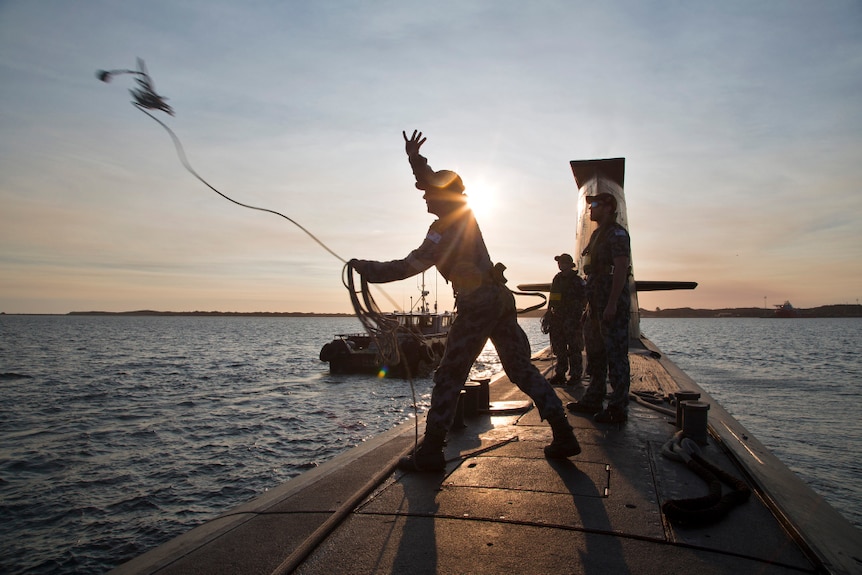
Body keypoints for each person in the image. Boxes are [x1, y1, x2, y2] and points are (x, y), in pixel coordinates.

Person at [350, 130, 581, 471]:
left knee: (450, 374)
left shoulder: (444, 228)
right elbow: (433, 181)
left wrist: (365, 269)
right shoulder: (462, 215)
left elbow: (408, 266)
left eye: (429, 194)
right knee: (520, 369)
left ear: (442, 197)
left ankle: (430, 452)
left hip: (478, 304)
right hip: (499, 300)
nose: (424, 198)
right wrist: (415, 160)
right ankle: (563, 433)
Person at [567, 192, 632, 423]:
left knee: (615, 356)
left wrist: (613, 303)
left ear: (608, 207)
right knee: (595, 354)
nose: (590, 209)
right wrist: (588, 308)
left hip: (609, 304)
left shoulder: (617, 234)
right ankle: (593, 398)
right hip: (594, 305)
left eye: (595, 204)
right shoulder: (597, 236)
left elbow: (621, 268)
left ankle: (617, 408)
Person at [544, 253, 586, 386]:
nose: (560, 264)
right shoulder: (557, 279)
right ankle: (560, 373)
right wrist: (549, 312)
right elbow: (553, 297)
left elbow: (585, 299)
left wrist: (580, 315)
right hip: (558, 318)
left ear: (569, 264)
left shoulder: (578, 281)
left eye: (562, 262)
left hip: (573, 319)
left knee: (574, 347)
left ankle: (575, 374)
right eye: (559, 262)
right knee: (559, 347)